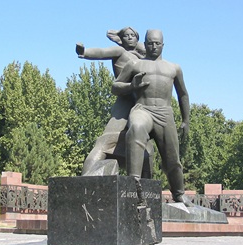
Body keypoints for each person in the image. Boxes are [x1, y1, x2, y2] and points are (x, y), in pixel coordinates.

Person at [112, 29, 192, 206]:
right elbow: (115, 86)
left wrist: (186, 120)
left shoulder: (174, 68)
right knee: (137, 129)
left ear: (163, 45)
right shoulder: (135, 65)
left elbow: (183, 95)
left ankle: (179, 193)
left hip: (165, 113)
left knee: (172, 159)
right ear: (145, 44)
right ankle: (133, 187)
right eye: (150, 43)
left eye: (157, 43)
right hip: (143, 108)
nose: (153, 46)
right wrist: (131, 86)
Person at [76, 27, 152, 177]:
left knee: (146, 148)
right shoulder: (120, 52)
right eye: (126, 36)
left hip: (142, 105)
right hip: (124, 104)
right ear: (121, 39)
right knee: (106, 141)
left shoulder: (142, 58)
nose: (130, 38)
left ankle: (145, 187)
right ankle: (86, 179)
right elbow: (102, 52)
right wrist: (84, 53)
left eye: (133, 36)